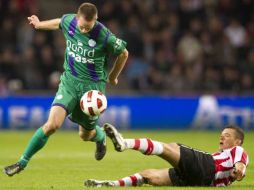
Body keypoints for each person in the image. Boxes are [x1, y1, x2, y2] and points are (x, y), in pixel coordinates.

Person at [4, 2, 128, 176]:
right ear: (77, 18)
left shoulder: (104, 35)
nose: (84, 30)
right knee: (52, 125)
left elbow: (124, 53)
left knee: (84, 135)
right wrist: (39, 25)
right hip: (69, 82)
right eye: (82, 26)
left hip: (92, 91)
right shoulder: (70, 21)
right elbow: (58, 22)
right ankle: (22, 162)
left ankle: (100, 137)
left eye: (88, 27)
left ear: (96, 20)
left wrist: (113, 76)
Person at [85, 124, 249, 187]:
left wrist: (239, 171)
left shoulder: (238, 151)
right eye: (221, 134)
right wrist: (236, 173)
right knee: (148, 175)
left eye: (227, 135)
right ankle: (111, 184)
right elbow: (236, 171)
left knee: (170, 147)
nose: (222, 137)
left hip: (207, 166)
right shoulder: (224, 155)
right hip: (201, 182)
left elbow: (241, 166)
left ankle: (124, 143)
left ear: (237, 142)